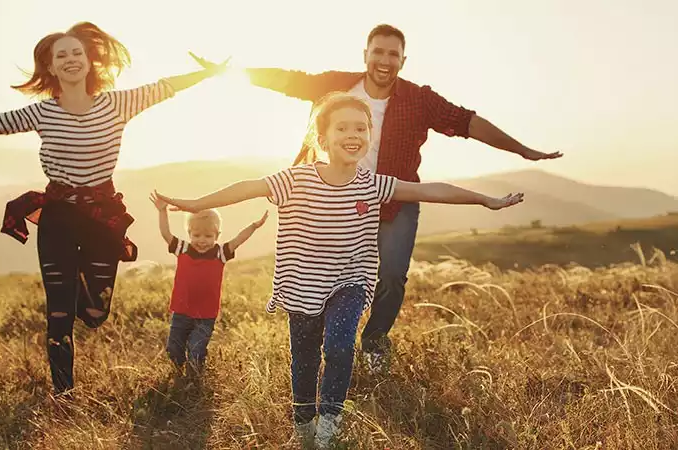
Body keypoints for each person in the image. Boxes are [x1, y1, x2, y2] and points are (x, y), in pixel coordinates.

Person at [152, 92, 524, 448]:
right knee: (305, 358)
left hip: (350, 282)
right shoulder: (295, 180)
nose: (353, 135)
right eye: (343, 128)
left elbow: (430, 190)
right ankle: (304, 422)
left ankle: (330, 420)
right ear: (323, 138)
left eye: (361, 128)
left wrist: (484, 200)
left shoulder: (373, 185)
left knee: (340, 344)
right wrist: (193, 204)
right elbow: (246, 188)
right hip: (301, 286)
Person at [190, 23, 562, 374]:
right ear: (365, 54)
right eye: (378, 52)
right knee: (325, 273)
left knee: (393, 275)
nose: (385, 61)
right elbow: (286, 80)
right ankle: (324, 341)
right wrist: (226, 72)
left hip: (393, 198)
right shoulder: (337, 86)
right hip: (330, 196)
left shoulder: (419, 99)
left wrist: (522, 151)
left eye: (393, 55)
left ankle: (374, 341)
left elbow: (467, 122)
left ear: (403, 60)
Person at [0, 21, 224, 394]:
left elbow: (166, 87)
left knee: (95, 314)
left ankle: (81, 296)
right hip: (59, 217)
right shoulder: (41, 113)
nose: (70, 60)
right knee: (59, 312)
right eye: (61, 55)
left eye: (76, 53)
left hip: (102, 217)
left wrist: (209, 72)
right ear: (51, 67)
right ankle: (63, 392)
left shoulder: (118, 103)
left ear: (89, 61)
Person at [149, 194, 267, 378]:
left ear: (217, 236)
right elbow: (166, 233)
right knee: (174, 349)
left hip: (206, 315)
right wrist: (162, 210)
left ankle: (194, 378)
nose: (202, 240)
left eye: (208, 236)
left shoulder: (220, 253)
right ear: (189, 234)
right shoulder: (183, 249)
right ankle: (179, 373)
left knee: (196, 350)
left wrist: (253, 226)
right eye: (196, 235)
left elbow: (238, 239)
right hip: (181, 311)